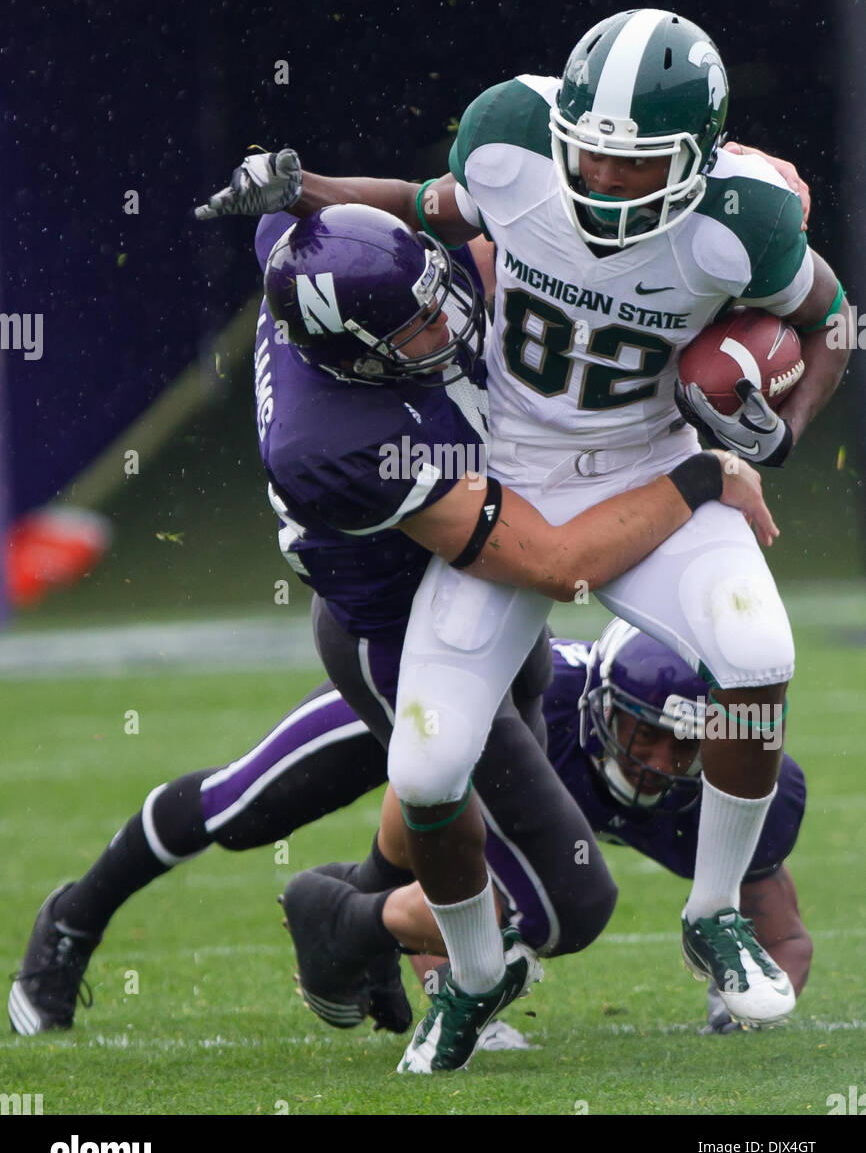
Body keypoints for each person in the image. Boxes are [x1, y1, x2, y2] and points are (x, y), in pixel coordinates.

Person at [194, 8, 847, 1067]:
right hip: (502, 471)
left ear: (697, 157)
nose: (596, 175)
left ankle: (713, 909)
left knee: (758, 653)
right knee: (426, 763)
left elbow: (832, 322)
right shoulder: (510, 136)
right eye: (585, 148)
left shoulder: (746, 219)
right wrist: (304, 187)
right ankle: (474, 969)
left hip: (645, 465)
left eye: (631, 164)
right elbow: (419, 208)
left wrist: (781, 427)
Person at [9, 205, 774, 1062]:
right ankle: (90, 919)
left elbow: (319, 224)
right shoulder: (336, 444)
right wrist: (700, 474)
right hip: (396, 637)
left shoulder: (314, 260)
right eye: (414, 329)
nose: (447, 323)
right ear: (350, 355)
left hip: (491, 617)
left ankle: (363, 932)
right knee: (276, 811)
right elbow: (556, 562)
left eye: (432, 296)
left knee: (416, 814)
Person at [8, 621, 810, 1043]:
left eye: (688, 745)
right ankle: (73, 918)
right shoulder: (555, 711)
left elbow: (783, 934)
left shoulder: (737, 784)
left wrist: (741, 1007)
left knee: (536, 906)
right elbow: (431, 812)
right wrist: (441, 976)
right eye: (644, 732)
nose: (664, 761)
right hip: (436, 701)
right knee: (242, 806)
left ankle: (348, 922)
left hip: (468, 770)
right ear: (601, 706)